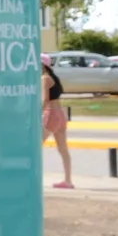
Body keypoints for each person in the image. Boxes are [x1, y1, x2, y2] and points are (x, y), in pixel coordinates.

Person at [41, 55, 73, 189]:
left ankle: (33, 178)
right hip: (60, 113)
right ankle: (68, 180)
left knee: (35, 147)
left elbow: (44, 99)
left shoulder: (44, 78)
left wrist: (37, 114)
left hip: (50, 114)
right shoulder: (54, 78)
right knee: (63, 149)